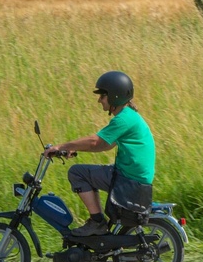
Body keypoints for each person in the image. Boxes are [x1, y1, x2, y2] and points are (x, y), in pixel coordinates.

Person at [43, 71, 156, 237]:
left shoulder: (124, 119)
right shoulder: (130, 117)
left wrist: (61, 146)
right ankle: (98, 223)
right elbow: (104, 144)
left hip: (128, 178)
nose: (99, 100)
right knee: (86, 172)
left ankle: (97, 223)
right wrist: (74, 148)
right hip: (133, 175)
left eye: (102, 96)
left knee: (77, 172)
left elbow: (95, 141)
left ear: (114, 97)